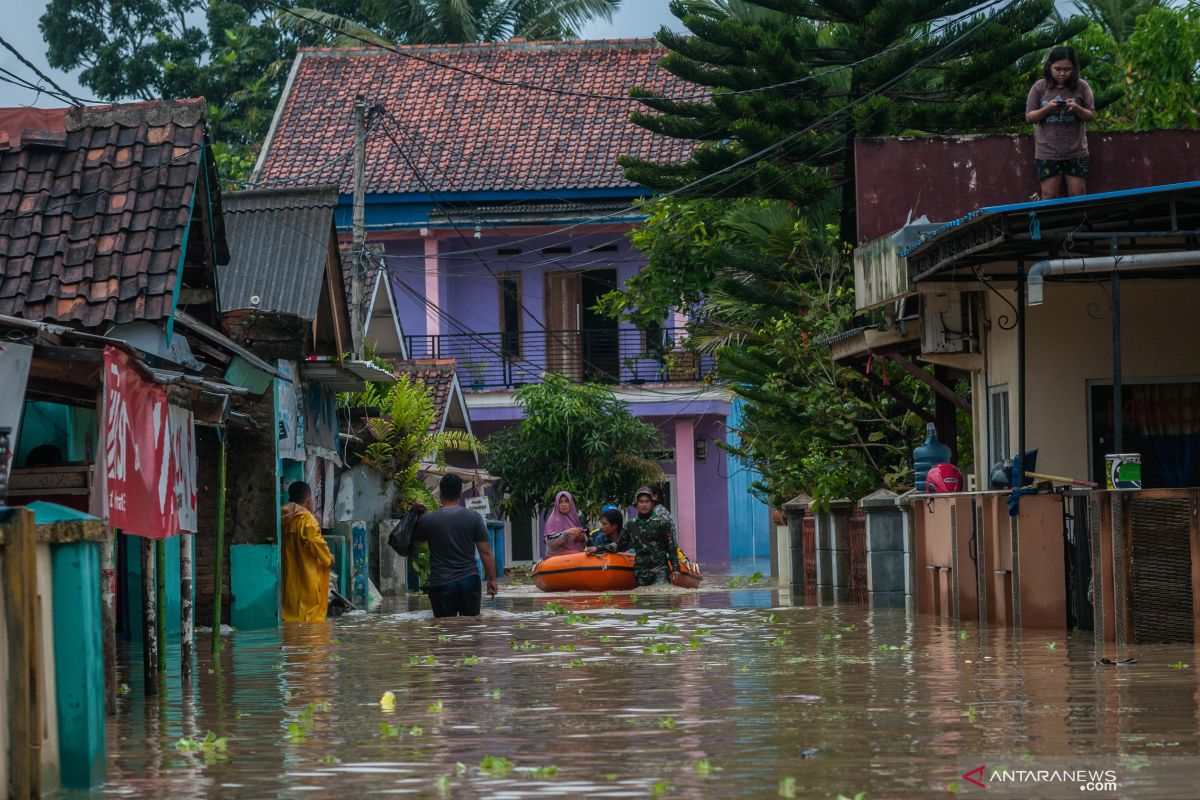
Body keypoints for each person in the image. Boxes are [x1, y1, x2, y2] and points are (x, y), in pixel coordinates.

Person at [413, 474, 499, 617]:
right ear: (460, 493)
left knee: (444, 631)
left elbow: (418, 543)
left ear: (440, 492)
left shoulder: (428, 520)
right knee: (470, 631)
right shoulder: (474, 518)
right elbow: (485, 552)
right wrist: (493, 579)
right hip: (469, 582)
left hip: (441, 583)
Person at [1025, 45, 1095, 200]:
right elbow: (1029, 117)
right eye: (1058, 69)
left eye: (1067, 69)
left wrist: (1077, 108)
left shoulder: (1082, 87)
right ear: (1049, 66)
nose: (1062, 73)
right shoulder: (1039, 87)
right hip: (1047, 152)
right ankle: (1050, 225)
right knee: (1049, 196)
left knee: (1078, 195)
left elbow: (1091, 116)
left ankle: (1080, 225)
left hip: (1076, 152)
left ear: (1075, 68)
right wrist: (1048, 109)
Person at [280, 481, 334, 623]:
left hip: (287, 582)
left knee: (290, 621)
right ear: (309, 500)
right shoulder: (307, 519)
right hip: (307, 581)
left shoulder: (281, 518)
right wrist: (328, 559)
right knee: (310, 626)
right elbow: (315, 542)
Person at [604, 487, 681, 586]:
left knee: (661, 596)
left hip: (660, 569)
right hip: (641, 572)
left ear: (653, 504)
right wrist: (598, 549)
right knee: (642, 599)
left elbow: (671, 547)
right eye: (641, 502)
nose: (644, 505)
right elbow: (619, 545)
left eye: (647, 501)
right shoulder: (631, 524)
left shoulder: (663, 523)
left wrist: (676, 568)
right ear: (636, 505)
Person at [542, 490, 587, 556]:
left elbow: (585, 538)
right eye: (560, 502)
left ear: (571, 503)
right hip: (557, 557)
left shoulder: (574, 518)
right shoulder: (554, 519)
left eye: (566, 501)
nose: (564, 504)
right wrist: (567, 532)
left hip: (576, 555)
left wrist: (581, 537)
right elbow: (549, 541)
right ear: (557, 504)